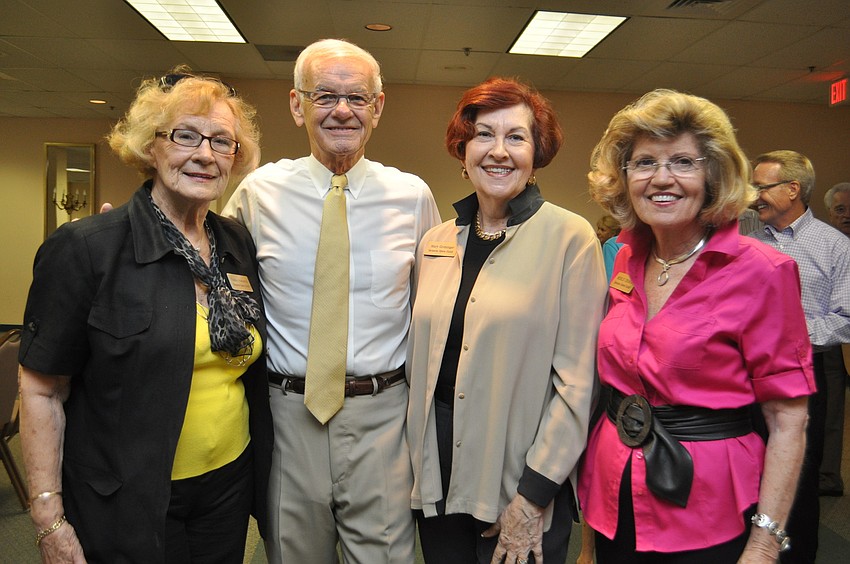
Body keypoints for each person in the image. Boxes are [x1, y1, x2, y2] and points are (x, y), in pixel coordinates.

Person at [18, 69, 272, 563]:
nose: (205, 154)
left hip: (226, 488)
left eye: (223, 141)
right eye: (186, 135)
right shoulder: (89, 248)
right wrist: (48, 516)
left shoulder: (236, 243)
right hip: (126, 497)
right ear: (149, 147)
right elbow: (42, 388)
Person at [222, 39, 441, 563]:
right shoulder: (258, 193)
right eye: (324, 95)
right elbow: (210, 271)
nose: (342, 110)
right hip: (288, 416)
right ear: (297, 105)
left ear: (378, 107)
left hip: (382, 419)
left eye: (357, 98)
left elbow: (431, 306)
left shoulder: (412, 197)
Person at [579, 89, 814, 563]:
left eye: (683, 162)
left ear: (712, 175)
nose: (662, 179)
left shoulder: (762, 271)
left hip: (707, 508)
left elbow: (788, 420)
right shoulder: (625, 256)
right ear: (624, 178)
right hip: (613, 494)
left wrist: (765, 547)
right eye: (644, 162)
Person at [406, 76, 607, 564]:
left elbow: (578, 384)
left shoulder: (570, 238)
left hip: (520, 475)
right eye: (483, 135)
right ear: (463, 150)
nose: (498, 151)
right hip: (437, 476)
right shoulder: (436, 241)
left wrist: (535, 493)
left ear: (537, 153)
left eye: (516, 137)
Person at [749, 151, 850, 563]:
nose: (754, 195)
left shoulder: (834, 246)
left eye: (762, 186)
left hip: (803, 373)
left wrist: (788, 335)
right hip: (746, 376)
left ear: (793, 190)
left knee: (799, 479)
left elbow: (846, 318)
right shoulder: (746, 243)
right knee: (750, 470)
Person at [821, 181, 850, 498]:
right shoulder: (825, 244)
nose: (847, 215)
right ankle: (828, 475)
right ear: (830, 212)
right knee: (830, 411)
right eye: (840, 209)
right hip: (832, 342)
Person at [597, 215, 625, 282]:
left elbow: (609, 279)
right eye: (598, 228)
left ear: (613, 232)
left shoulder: (610, 245)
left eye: (603, 230)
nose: (598, 232)